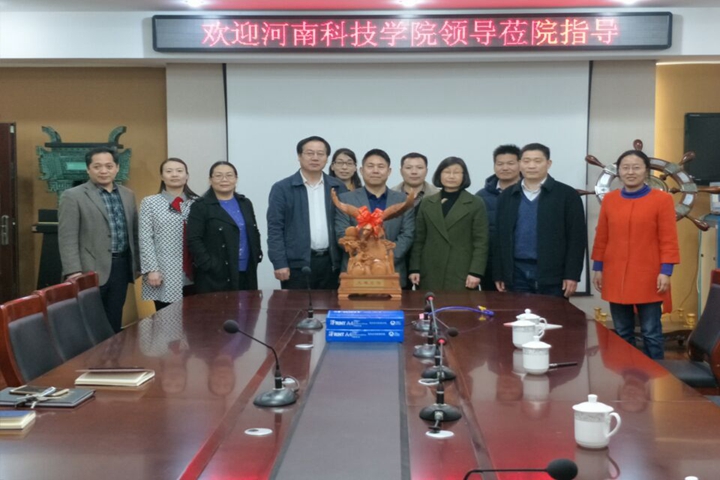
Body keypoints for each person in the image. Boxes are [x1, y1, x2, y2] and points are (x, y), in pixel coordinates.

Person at [591, 150, 680, 360]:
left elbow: (668, 238)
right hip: (615, 275)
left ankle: (658, 376)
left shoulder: (662, 199)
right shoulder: (610, 199)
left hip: (649, 276)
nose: (630, 172)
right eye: (625, 167)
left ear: (646, 171)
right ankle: (625, 374)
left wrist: (666, 271)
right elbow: (602, 236)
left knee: (651, 332)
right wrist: (598, 268)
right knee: (622, 332)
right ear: (619, 172)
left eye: (636, 167)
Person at [58, 146, 139, 333]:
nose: (103, 171)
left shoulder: (127, 195)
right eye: (97, 166)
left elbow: (134, 232)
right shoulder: (73, 196)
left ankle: (112, 352)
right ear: (88, 169)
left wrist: (138, 265)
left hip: (121, 266)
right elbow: (67, 237)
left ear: (117, 168)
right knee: (89, 324)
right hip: (88, 269)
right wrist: (73, 271)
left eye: (109, 166)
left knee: (114, 319)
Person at [494, 143, 586, 298]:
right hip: (516, 273)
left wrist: (572, 275)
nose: (531, 166)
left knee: (552, 314)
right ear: (520, 164)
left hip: (553, 275)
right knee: (517, 313)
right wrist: (499, 273)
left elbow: (576, 239)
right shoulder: (507, 196)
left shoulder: (567, 195)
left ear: (548, 163)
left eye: (537, 161)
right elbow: (499, 237)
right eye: (526, 161)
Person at [267, 136, 348, 289]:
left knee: (332, 304)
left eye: (320, 154)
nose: (315, 158)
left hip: (332, 264)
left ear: (327, 158)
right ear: (299, 156)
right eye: (310, 153)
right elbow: (275, 228)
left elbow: (345, 225)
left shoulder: (338, 187)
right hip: (297, 266)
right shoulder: (282, 188)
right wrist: (279, 262)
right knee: (297, 305)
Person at [335, 149, 415, 287]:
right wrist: (366, 257)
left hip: (392, 272)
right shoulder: (345, 199)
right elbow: (342, 233)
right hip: (355, 273)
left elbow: (407, 235)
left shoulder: (403, 200)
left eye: (381, 166)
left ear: (389, 171)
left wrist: (383, 258)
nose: (375, 171)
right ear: (361, 170)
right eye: (370, 166)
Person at [409, 156, 488, 291]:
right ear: (439, 175)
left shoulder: (475, 203)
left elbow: (481, 241)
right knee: (430, 303)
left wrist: (476, 272)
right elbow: (419, 239)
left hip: (461, 270)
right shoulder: (427, 202)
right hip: (430, 269)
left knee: (459, 304)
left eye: (456, 172)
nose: (451, 176)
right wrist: (414, 268)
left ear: (464, 176)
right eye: (446, 172)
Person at [187, 161, 263, 293]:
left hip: (246, 268)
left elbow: (253, 231)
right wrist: (208, 264)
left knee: (248, 305)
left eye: (229, 175)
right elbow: (194, 239)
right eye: (218, 176)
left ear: (236, 179)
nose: (224, 179)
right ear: (210, 180)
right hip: (215, 273)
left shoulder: (245, 203)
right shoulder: (201, 206)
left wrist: (256, 254)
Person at [139, 157, 198, 311]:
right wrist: (152, 269)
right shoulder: (150, 202)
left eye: (179, 171)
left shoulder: (197, 203)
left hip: (195, 271)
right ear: (162, 176)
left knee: (195, 318)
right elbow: (145, 238)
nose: (174, 174)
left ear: (187, 176)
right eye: (169, 171)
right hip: (163, 271)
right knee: (167, 319)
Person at [476, 144, 522, 291]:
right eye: (500, 164)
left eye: (510, 163)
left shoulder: (529, 193)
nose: (505, 168)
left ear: (520, 164)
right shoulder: (481, 196)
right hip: (490, 263)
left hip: (520, 261)